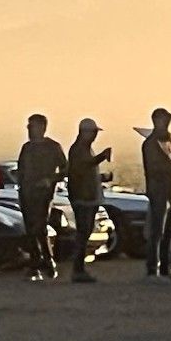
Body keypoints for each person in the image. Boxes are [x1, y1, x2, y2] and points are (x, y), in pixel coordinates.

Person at [16, 113, 67, 281]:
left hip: (43, 195)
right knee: (30, 229)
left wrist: (49, 180)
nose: (29, 129)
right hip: (26, 193)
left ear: (42, 127)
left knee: (40, 227)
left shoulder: (53, 147)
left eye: (32, 126)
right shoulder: (27, 148)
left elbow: (65, 169)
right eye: (28, 126)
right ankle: (36, 263)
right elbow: (21, 169)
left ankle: (47, 260)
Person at [142, 107, 171, 282]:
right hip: (159, 191)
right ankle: (153, 270)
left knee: (170, 232)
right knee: (157, 232)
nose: (167, 124)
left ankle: (168, 269)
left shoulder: (169, 139)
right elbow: (155, 168)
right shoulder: (150, 144)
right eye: (164, 120)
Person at [66, 118, 111, 283]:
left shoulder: (84, 149)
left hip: (88, 197)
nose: (94, 136)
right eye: (93, 133)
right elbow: (82, 167)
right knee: (83, 233)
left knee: (85, 233)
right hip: (83, 198)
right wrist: (101, 157)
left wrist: (101, 177)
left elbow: (85, 171)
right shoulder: (78, 150)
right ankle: (78, 269)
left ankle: (80, 268)